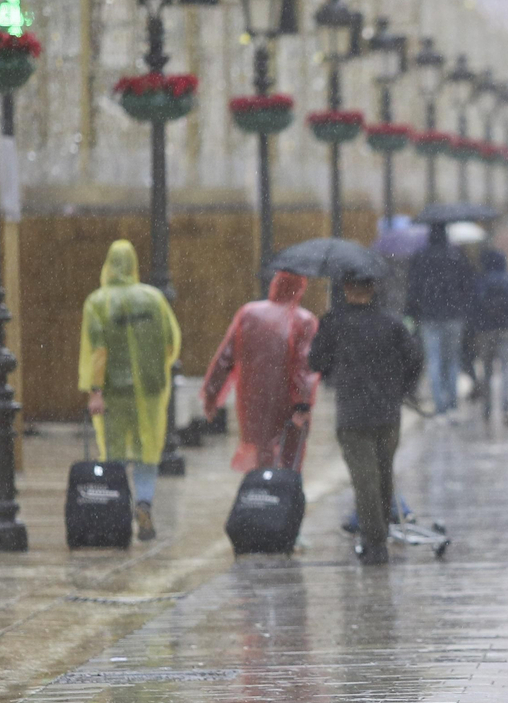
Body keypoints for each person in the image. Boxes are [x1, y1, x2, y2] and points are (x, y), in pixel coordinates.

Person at [308, 268, 423, 564]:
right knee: (383, 477)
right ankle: (378, 536)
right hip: (387, 413)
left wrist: (335, 369)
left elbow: (316, 361)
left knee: (365, 481)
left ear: (347, 289)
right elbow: (414, 358)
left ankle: (375, 543)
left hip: (353, 414)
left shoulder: (334, 323)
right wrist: (402, 389)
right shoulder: (391, 323)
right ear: (373, 289)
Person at [78, 240, 181, 541]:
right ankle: (144, 503)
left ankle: (118, 511)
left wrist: (95, 390)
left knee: (115, 452)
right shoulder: (154, 298)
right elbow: (171, 341)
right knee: (147, 449)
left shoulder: (97, 302)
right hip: (149, 390)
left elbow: (98, 351)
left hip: (114, 391)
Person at [202, 270, 319, 472]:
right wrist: (303, 403)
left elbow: (225, 357)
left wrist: (212, 393)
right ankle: (281, 488)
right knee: (288, 458)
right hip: (287, 402)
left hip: (252, 400)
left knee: (259, 452)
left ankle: (260, 484)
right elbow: (304, 367)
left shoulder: (249, 313)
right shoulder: (304, 320)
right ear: (300, 289)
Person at [404, 222, 476, 418]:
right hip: (453, 316)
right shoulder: (456, 256)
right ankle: (452, 404)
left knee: (434, 361)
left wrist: (412, 313)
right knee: (452, 361)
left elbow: (413, 288)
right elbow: (467, 285)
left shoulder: (421, 257)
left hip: (429, 317)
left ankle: (440, 406)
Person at [468, 248, 508, 425]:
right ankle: (506, 408)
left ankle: (487, 409)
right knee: (506, 369)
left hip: (485, 331)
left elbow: (473, 307)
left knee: (487, 371)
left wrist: (478, 327)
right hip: (506, 330)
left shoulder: (480, 281)